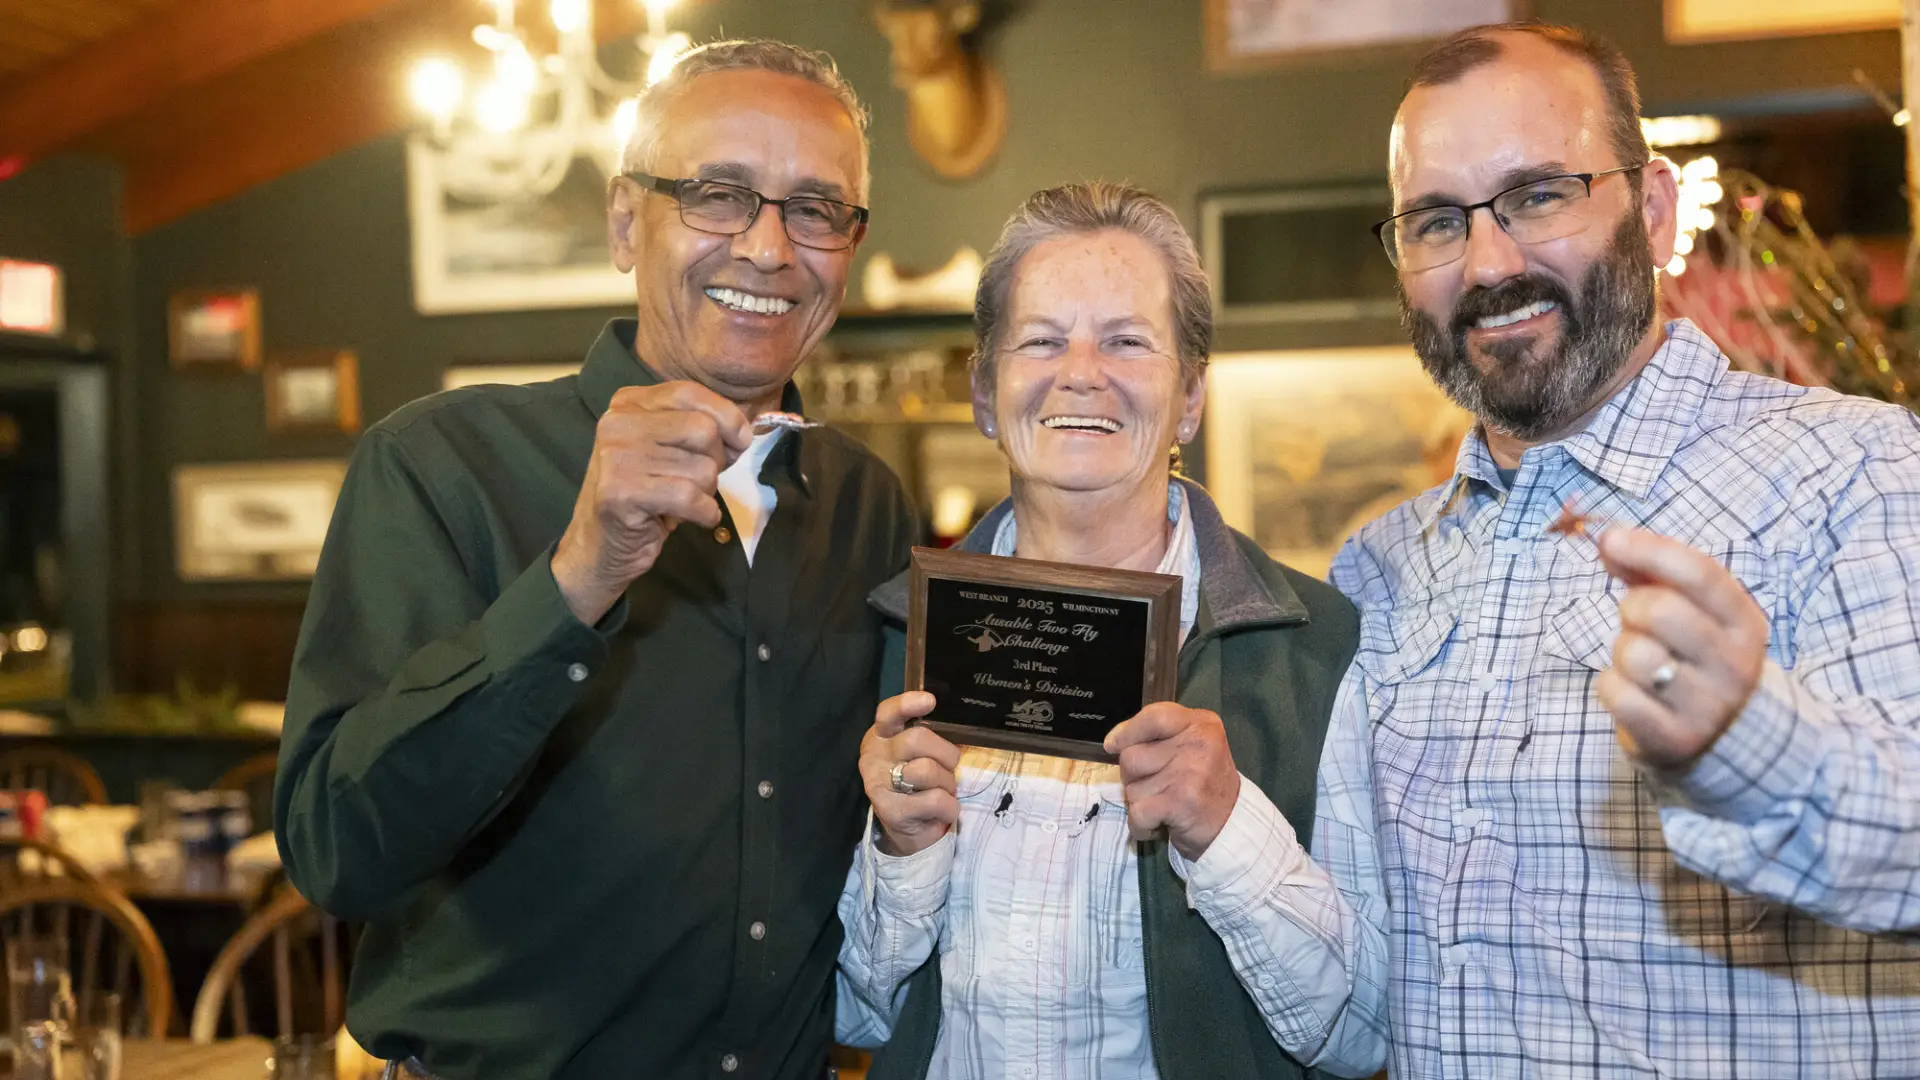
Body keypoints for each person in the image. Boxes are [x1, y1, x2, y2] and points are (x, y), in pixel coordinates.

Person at [276, 40, 918, 1080]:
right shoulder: (439, 466)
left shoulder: (865, 504)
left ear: (849, 244)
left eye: (814, 208)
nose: (767, 248)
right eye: (718, 195)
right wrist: (578, 577)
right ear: (627, 222)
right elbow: (337, 852)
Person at [1337, 20, 1920, 1078]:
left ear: (1652, 211)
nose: (1489, 262)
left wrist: (1750, 739)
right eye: (1434, 221)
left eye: (1539, 196)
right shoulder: (1378, 570)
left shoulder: (1855, 469)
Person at [835, 182, 1389, 1079]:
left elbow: (1360, 1036)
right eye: (1042, 340)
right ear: (986, 392)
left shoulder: (1316, 647)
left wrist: (1227, 828)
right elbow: (853, 1017)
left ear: (1191, 398)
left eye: (1127, 340)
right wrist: (901, 851)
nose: (1081, 371)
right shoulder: (893, 640)